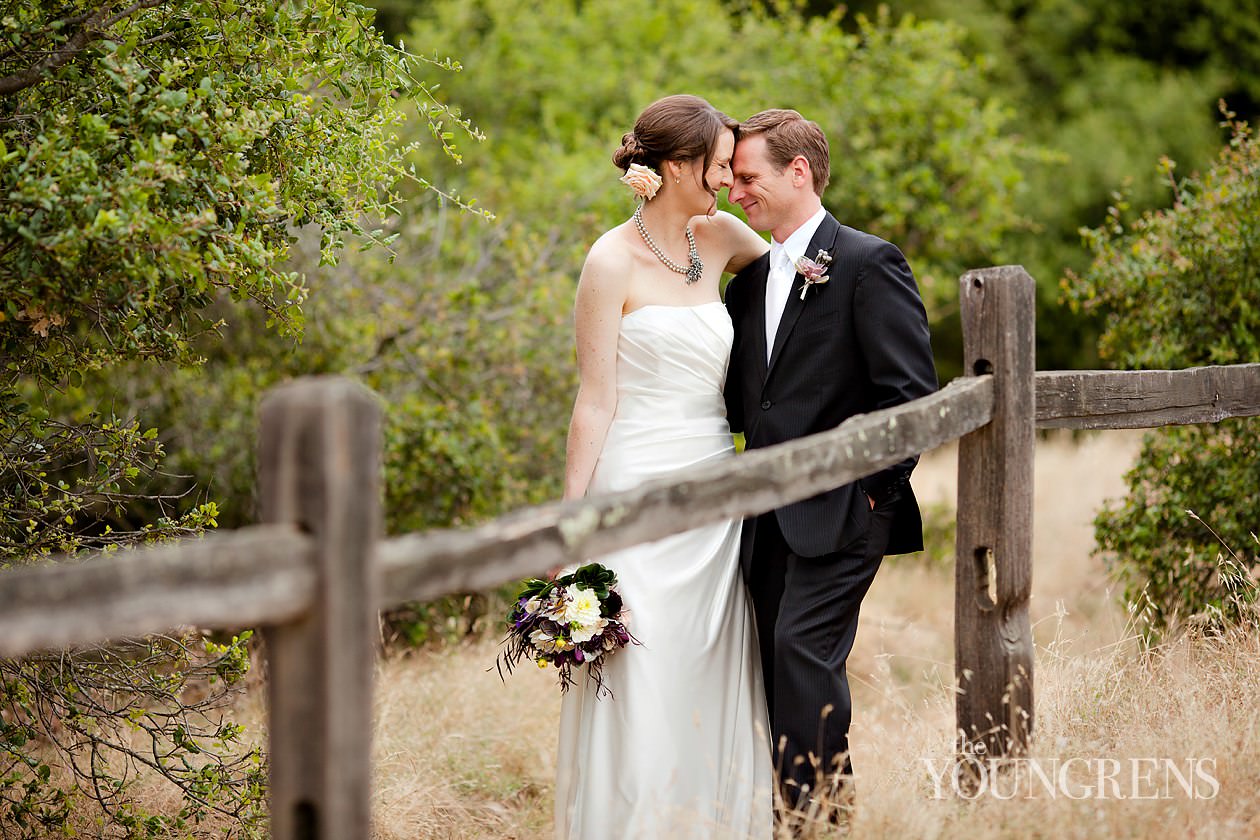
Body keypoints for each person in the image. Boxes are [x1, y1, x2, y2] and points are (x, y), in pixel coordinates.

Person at [554, 94, 773, 840]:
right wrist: (571, 527)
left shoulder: (724, 238)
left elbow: (790, 281)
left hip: (713, 493)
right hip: (634, 493)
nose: (727, 182)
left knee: (705, 670)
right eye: (717, 167)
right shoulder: (608, 260)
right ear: (676, 167)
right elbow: (594, 400)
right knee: (642, 672)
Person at [724, 109, 938, 817]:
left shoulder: (869, 263)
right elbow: (744, 406)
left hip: (846, 512)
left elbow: (908, 396)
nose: (735, 193)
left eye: (747, 177)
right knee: (769, 669)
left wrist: (872, 496)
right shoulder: (747, 284)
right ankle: (788, 820)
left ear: (798, 171)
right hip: (762, 519)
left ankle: (820, 823)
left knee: (802, 655)